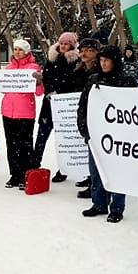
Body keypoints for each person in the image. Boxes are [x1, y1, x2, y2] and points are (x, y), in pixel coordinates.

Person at [77, 45, 138, 223]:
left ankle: (117, 208)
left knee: (117, 172)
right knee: (96, 171)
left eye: (107, 61)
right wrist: (83, 127)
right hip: (96, 134)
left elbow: (133, 109)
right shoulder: (93, 80)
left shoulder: (126, 81)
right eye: (101, 60)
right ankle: (99, 203)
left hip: (118, 136)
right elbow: (83, 106)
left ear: (115, 62)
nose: (103, 64)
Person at [31, 31, 80, 182]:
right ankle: (34, 164)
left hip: (65, 107)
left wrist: (60, 92)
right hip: (48, 105)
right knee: (41, 138)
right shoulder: (51, 59)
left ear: (72, 45)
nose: (64, 46)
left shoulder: (75, 62)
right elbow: (47, 77)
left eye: (67, 44)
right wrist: (47, 86)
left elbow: (73, 82)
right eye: (62, 43)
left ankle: (64, 169)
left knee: (63, 140)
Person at [1, 39, 44, 189]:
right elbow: (3, 89)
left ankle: (25, 174)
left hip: (25, 112)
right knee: (11, 145)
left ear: (26, 51)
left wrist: (39, 82)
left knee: (24, 145)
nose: (17, 52)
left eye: (20, 49)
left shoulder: (33, 68)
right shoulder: (8, 67)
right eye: (15, 49)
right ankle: (14, 174)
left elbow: (38, 93)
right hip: (8, 112)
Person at [72, 38, 102, 194]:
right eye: (81, 50)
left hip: (96, 113)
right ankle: (91, 178)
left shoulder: (99, 70)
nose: (84, 53)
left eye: (88, 50)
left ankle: (96, 185)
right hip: (83, 111)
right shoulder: (79, 68)